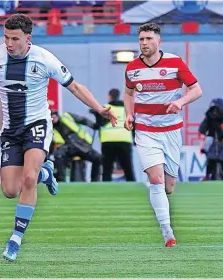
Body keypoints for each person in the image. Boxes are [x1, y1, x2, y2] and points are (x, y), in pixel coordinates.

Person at [0, 14, 116, 262]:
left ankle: (15, 239)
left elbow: (75, 87)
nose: (9, 43)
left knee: (28, 178)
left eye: (15, 38)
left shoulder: (44, 59)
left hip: (37, 124)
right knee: (10, 190)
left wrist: (100, 108)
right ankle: (47, 173)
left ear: (28, 38)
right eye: (6, 37)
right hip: (11, 130)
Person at [123, 23, 203, 247]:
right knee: (156, 180)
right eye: (141, 39)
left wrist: (180, 102)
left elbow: (197, 89)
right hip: (146, 130)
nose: (144, 43)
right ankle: (167, 230)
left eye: (148, 39)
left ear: (159, 42)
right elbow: (128, 93)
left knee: (168, 187)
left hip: (171, 131)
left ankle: (163, 208)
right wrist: (130, 114)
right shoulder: (132, 68)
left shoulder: (175, 62)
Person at [92, 89, 135, 181]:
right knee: (128, 168)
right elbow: (133, 123)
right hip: (124, 140)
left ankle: (106, 189)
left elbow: (99, 124)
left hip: (108, 141)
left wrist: (96, 115)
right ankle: (133, 185)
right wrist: (135, 139)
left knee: (107, 168)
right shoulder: (126, 109)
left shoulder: (105, 108)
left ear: (109, 96)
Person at [52, 110, 102, 182]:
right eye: (51, 117)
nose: (54, 118)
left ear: (58, 115)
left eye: (55, 115)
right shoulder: (50, 128)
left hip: (81, 145)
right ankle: (61, 181)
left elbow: (82, 120)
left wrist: (93, 125)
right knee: (58, 156)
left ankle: (95, 182)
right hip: (66, 148)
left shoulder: (67, 115)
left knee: (98, 158)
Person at [199, 98, 223, 180]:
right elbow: (203, 131)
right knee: (210, 160)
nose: (215, 112)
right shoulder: (208, 116)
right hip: (212, 140)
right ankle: (207, 176)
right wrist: (202, 146)